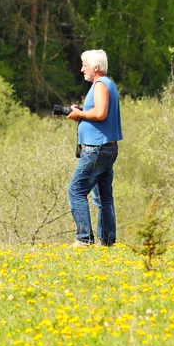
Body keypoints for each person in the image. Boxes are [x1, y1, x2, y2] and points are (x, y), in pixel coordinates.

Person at [66, 50, 122, 247]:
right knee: (104, 197)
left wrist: (79, 115)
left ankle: (84, 239)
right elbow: (99, 112)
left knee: (76, 190)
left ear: (95, 67)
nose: (82, 69)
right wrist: (81, 112)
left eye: (84, 65)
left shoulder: (100, 84)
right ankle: (107, 241)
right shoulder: (108, 85)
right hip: (107, 147)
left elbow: (100, 113)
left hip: (97, 149)